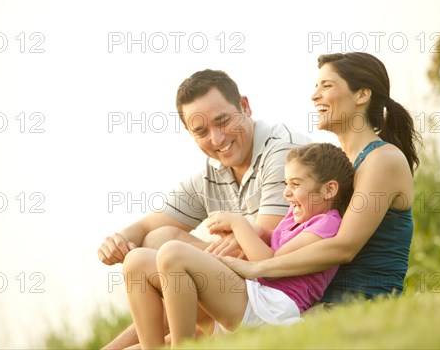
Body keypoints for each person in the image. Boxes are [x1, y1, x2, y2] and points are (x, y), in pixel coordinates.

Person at [97, 69, 309, 348]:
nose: (217, 139)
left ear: (244, 106)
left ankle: (184, 339)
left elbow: (265, 256)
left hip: (272, 294)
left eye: (223, 121)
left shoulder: (282, 152)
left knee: (169, 252)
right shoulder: (215, 170)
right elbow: (148, 227)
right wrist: (120, 239)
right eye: (201, 132)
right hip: (235, 290)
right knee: (154, 241)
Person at [219, 52, 421, 303]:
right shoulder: (339, 164)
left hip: (361, 301)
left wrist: (258, 268)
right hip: (317, 301)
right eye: (316, 87)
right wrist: (260, 234)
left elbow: (344, 247)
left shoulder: (382, 160)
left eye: (327, 86)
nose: (314, 96)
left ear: (362, 95)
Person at [122, 142, 355, 348]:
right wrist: (259, 232)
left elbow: (269, 263)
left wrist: (239, 224)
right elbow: (275, 243)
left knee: (173, 253)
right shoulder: (295, 219)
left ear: (329, 190)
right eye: (286, 183)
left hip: (270, 308)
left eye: (295, 184)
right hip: (248, 300)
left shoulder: (327, 224)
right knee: (137, 261)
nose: (286, 193)